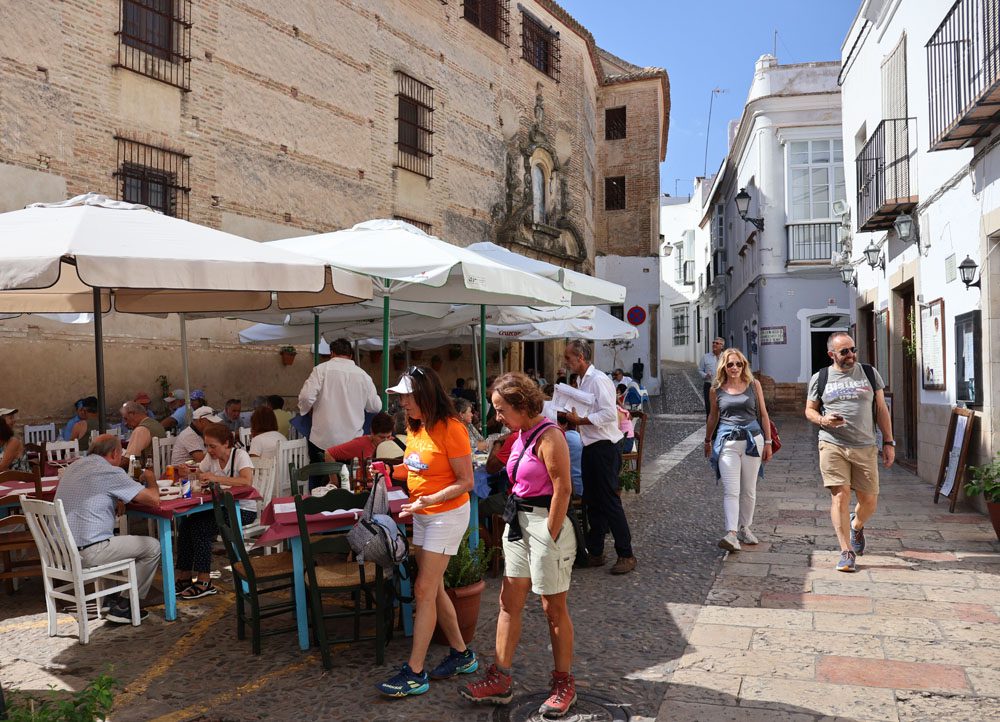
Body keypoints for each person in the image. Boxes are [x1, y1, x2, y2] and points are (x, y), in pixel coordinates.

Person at [461, 372, 578, 716]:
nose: (496, 416)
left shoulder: (550, 435)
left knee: (552, 608)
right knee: (508, 602)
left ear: (521, 404)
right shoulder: (522, 433)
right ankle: (501, 677)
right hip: (518, 524)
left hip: (544, 524)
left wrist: (550, 534)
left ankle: (563, 683)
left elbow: (563, 489)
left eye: (500, 409)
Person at [375, 366, 476, 698]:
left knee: (423, 589)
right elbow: (414, 466)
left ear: (424, 394)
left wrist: (429, 499)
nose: (402, 402)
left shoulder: (453, 429)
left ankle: (415, 672)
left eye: (407, 396)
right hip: (423, 513)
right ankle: (461, 654)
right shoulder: (416, 427)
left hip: (445, 514)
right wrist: (390, 469)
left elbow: (466, 482)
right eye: (402, 397)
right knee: (434, 589)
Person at [805, 332, 894, 573]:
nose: (851, 355)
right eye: (844, 351)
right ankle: (846, 551)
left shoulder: (868, 373)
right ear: (831, 354)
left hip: (865, 445)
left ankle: (857, 525)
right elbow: (809, 411)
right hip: (832, 443)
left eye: (852, 349)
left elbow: (881, 408)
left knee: (869, 500)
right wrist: (824, 420)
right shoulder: (820, 378)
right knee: (840, 495)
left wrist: (888, 441)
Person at [53, 434, 161, 623]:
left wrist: (117, 498)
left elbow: (92, 493)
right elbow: (153, 499)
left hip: (59, 554)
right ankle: (124, 606)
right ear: (114, 453)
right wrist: (151, 478)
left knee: (107, 536)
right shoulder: (110, 472)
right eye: (121, 454)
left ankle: (110, 599)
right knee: (152, 547)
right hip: (87, 553)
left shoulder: (75, 466)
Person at [563, 340, 636, 575]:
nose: (566, 362)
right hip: (590, 445)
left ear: (581, 358)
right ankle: (595, 551)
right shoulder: (582, 381)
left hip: (604, 446)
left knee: (609, 501)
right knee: (591, 501)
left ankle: (626, 553)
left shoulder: (599, 380)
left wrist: (580, 421)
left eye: (568, 358)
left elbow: (608, 413)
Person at [176, 423, 255, 599]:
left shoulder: (240, 455)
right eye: (207, 446)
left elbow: (246, 481)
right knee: (187, 523)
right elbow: (201, 474)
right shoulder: (211, 458)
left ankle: (204, 581)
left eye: (213, 446)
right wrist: (189, 472)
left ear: (227, 443)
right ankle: (185, 575)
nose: (209, 450)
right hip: (221, 507)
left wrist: (215, 477)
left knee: (201, 528)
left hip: (243, 509)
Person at [704, 348, 772, 552]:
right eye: (730, 364)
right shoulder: (716, 388)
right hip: (727, 443)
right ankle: (731, 533)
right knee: (731, 490)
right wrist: (707, 440)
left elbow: (764, 414)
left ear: (744, 365)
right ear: (723, 366)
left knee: (749, 490)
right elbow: (713, 417)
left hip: (753, 441)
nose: (734, 367)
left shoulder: (754, 384)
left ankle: (745, 527)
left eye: (738, 364)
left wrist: (768, 442)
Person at [298, 338, 381, 473]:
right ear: (351, 355)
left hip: (323, 439)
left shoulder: (321, 370)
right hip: (352, 441)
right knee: (351, 483)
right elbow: (376, 406)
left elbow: (306, 397)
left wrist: (306, 409)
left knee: (320, 486)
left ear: (332, 353)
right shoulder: (364, 376)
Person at [323, 411, 394, 465]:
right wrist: (334, 480)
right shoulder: (360, 444)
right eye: (381, 437)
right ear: (372, 432)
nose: (385, 441)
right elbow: (329, 454)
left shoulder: (393, 443)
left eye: (388, 437)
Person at [121, 401, 166, 466]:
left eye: (126, 418)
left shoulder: (141, 430)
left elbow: (129, 459)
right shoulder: (156, 424)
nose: (125, 423)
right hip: (162, 467)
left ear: (132, 414)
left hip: (146, 470)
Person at [557, 412, 584, 497]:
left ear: (564, 424)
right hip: (583, 485)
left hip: (572, 488)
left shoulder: (562, 438)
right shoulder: (580, 437)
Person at [699, 338, 725, 418]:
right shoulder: (705, 357)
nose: (714, 344)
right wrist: (705, 375)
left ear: (722, 346)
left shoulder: (726, 357)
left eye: (717, 343)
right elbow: (700, 370)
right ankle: (710, 427)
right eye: (713, 342)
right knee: (709, 408)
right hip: (709, 386)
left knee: (722, 407)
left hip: (723, 386)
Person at [0, 408, 31, 473]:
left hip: (21, 481)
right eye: (11, 418)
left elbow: (2, 467)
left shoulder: (13, 442)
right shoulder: (3, 441)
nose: (14, 421)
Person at [615, 384, 635, 453]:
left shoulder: (617, 411)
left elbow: (616, 428)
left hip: (626, 443)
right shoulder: (620, 409)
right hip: (627, 440)